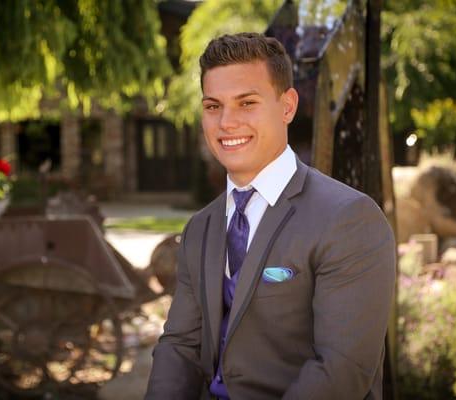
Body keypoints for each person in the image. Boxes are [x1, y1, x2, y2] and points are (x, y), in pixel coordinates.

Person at [145, 32, 396, 400]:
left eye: (247, 103)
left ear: (287, 106)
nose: (226, 122)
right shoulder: (200, 227)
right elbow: (180, 346)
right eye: (213, 106)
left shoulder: (349, 219)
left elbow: (340, 371)